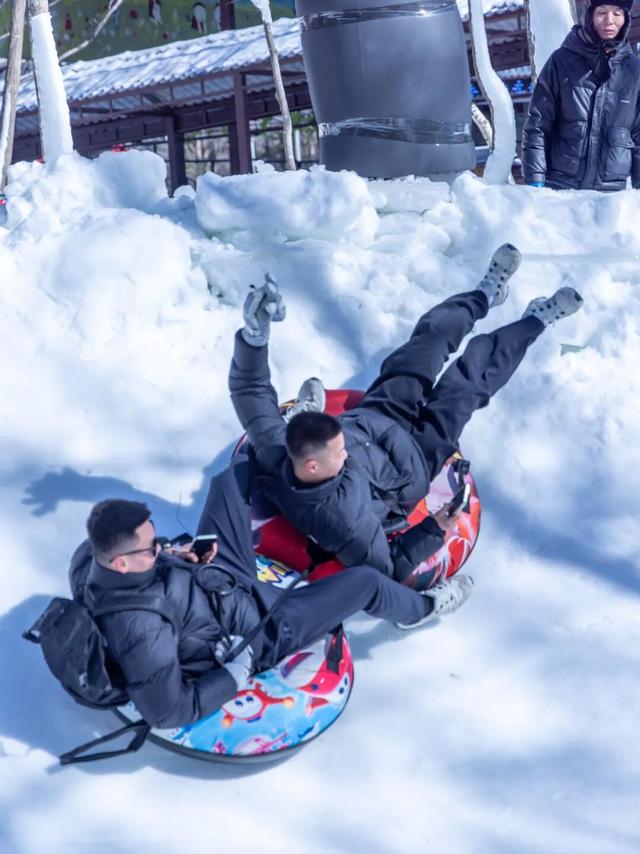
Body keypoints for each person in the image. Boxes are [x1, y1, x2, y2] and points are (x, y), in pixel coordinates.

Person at [224, 246, 584, 586]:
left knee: (427, 344)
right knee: (469, 382)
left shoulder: (277, 449)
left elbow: (249, 390)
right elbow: (389, 568)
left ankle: (484, 295)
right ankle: (534, 322)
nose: (344, 449)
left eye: (339, 437)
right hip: (417, 459)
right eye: (339, 451)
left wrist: (254, 336)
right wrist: (434, 529)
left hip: (379, 412)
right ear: (315, 469)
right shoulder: (347, 521)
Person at [69, 474, 473, 729]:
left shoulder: (91, 557)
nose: (156, 545)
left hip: (217, 579)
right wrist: (236, 670)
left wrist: (176, 554)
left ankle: (331, 484)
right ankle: (420, 610)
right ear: (121, 563)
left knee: (228, 482)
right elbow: (167, 713)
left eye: (154, 536)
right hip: (257, 628)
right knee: (366, 582)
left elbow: (149, 564)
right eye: (149, 548)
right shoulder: (141, 633)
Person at [521, 1, 640, 191]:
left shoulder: (634, 71)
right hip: (560, 188)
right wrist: (535, 180)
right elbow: (538, 125)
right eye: (602, 12)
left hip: (610, 196)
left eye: (617, 14)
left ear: (626, 20)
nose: (609, 20)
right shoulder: (561, 61)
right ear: (590, 16)